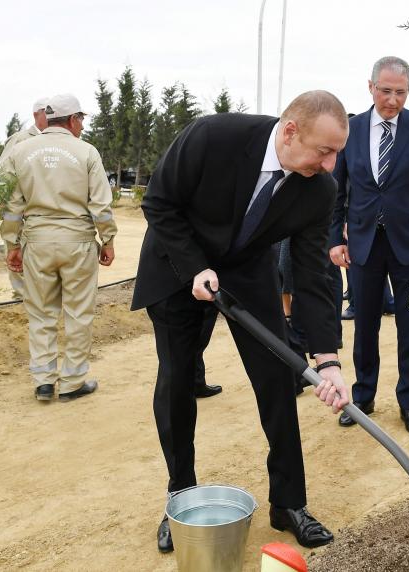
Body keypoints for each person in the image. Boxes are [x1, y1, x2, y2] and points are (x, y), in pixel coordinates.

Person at [130, 91, 351, 553]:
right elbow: (159, 202)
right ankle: (181, 495)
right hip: (177, 262)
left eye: (336, 154)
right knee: (176, 380)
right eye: (323, 151)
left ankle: (289, 503)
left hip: (248, 272)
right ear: (290, 132)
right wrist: (194, 267)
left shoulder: (319, 188)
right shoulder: (214, 136)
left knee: (278, 375)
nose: (330, 165)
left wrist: (328, 360)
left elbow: (312, 274)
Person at [329, 56, 409, 436]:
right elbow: (337, 190)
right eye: (386, 91)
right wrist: (334, 239)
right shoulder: (353, 128)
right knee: (365, 327)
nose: (393, 100)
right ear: (370, 87)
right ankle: (363, 398)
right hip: (363, 243)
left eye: (400, 92)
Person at [0, 94, 117, 402]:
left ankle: (43, 382)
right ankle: (72, 382)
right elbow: (101, 205)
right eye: (82, 119)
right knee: (78, 313)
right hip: (77, 242)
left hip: (36, 243)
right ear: (73, 119)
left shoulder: (21, 151)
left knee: (40, 314)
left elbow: (11, 205)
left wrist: (12, 243)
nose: (82, 125)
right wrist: (108, 240)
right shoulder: (86, 152)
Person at [0, 97, 49, 301]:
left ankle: (39, 295)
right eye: (47, 111)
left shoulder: (56, 140)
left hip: (44, 211)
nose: (51, 115)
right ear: (36, 114)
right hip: (21, 209)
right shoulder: (20, 139)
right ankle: (20, 295)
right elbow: (3, 175)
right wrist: (6, 205)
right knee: (16, 249)